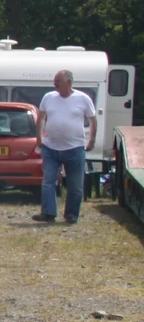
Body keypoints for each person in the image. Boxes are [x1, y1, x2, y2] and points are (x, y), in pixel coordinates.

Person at [35, 68, 97, 224]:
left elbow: (93, 120)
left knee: (75, 185)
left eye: (58, 81)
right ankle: (48, 213)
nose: (55, 84)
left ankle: (71, 215)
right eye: (54, 81)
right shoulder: (48, 97)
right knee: (48, 182)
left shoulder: (83, 98)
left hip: (74, 148)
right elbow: (41, 118)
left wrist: (92, 140)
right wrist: (39, 137)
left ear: (68, 82)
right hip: (50, 147)